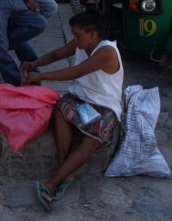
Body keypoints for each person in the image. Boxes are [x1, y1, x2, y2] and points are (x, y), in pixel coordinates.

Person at [20, 11, 123, 211]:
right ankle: (65, 174)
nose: (75, 39)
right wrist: (35, 63)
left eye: (78, 35)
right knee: (60, 111)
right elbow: (57, 54)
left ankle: (51, 182)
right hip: (80, 99)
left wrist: (37, 77)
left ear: (93, 33)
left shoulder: (107, 52)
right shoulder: (82, 44)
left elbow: (75, 72)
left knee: (92, 139)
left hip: (105, 106)